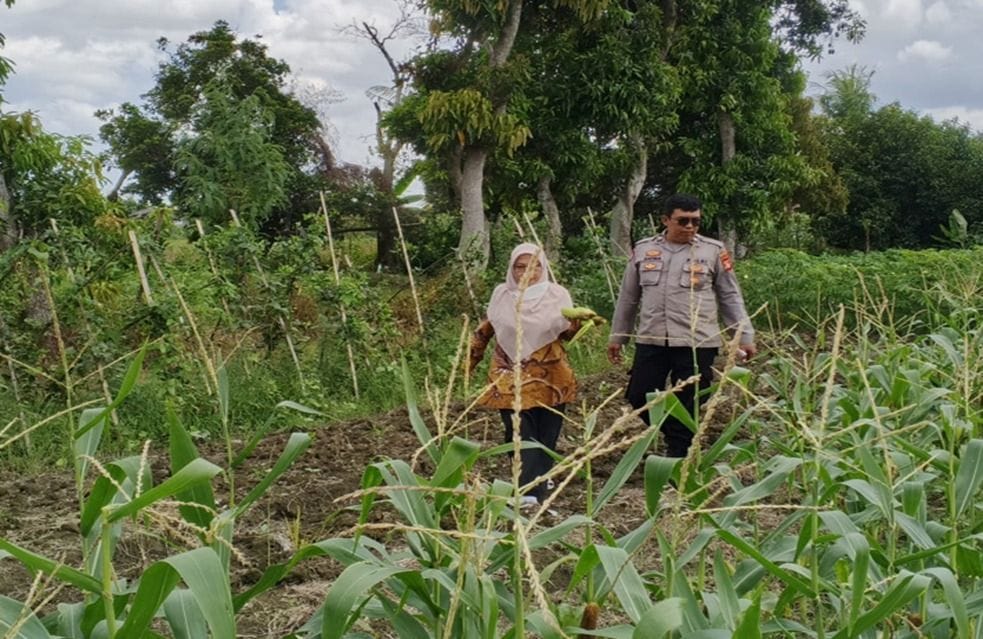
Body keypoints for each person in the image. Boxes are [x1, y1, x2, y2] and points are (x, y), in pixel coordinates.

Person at [607, 193, 756, 458]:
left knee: (690, 400)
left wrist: (743, 335)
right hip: (652, 337)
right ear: (666, 220)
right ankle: (678, 436)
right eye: (683, 221)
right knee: (640, 395)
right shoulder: (643, 249)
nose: (690, 227)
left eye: (695, 222)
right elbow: (628, 297)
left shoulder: (713, 251)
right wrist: (618, 336)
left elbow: (730, 296)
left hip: (697, 340)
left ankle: (678, 459)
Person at [469, 243, 579, 509]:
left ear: (543, 268)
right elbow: (487, 328)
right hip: (508, 372)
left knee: (546, 433)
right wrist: (470, 360)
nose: (526, 273)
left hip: (550, 374)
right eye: (520, 267)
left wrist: (578, 322)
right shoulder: (501, 294)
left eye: (534, 266)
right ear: (512, 268)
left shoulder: (557, 294)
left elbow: (566, 334)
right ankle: (528, 491)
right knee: (518, 431)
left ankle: (541, 479)